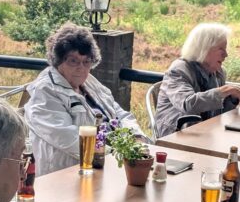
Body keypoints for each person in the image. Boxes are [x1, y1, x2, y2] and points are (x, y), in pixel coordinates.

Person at [25, 22, 148, 176]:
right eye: (73, 61)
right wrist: (115, 153)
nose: (81, 67)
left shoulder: (89, 81)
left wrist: (136, 138)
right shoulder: (45, 91)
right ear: (58, 61)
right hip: (69, 174)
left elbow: (120, 113)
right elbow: (67, 138)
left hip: (109, 165)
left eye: (86, 61)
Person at [154, 22, 240, 138]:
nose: (226, 55)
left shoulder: (218, 72)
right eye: (221, 49)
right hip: (175, 136)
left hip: (205, 134)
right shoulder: (179, 70)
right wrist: (226, 90)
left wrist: (232, 97)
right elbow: (188, 104)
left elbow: (218, 112)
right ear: (204, 48)